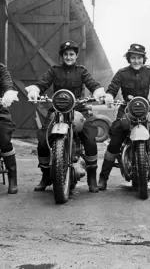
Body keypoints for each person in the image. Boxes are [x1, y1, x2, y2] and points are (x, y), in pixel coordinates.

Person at [25, 40, 105, 193]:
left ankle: (92, 177)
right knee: (43, 139)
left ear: (76, 56)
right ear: (62, 56)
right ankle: (46, 175)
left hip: (78, 109)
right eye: (66, 54)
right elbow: (42, 84)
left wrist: (98, 92)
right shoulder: (54, 71)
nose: (68, 57)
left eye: (71, 54)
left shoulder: (82, 71)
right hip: (57, 110)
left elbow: (92, 84)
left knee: (90, 139)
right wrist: (35, 90)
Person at [98, 43, 150, 190]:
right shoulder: (122, 73)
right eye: (133, 57)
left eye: (139, 57)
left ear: (143, 58)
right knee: (115, 142)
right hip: (126, 109)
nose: (136, 61)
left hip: (146, 109)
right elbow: (113, 88)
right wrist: (109, 96)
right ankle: (103, 177)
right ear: (129, 58)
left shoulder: (149, 72)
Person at [0, 63, 19, 194]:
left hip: (0, 109)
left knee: (4, 138)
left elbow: (7, 83)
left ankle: (12, 177)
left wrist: (8, 94)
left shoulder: (1, 69)